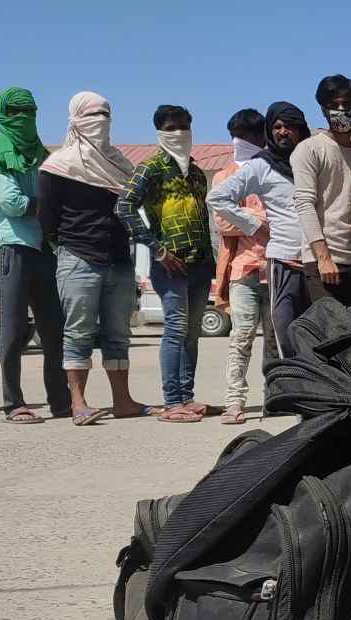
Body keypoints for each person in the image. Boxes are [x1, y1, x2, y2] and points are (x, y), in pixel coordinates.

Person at [0, 87, 68, 423]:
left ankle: (61, 401)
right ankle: (13, 402)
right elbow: (12, 204)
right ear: (3, 115)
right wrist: (48, 205)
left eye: (29, 111)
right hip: (13, 248)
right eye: (16, 112)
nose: (24, 118)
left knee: (53, 330)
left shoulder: (42, 155)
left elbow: (51, 195)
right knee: (13, 329)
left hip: (45, 248)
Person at [38, 91, 149, 424]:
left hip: (119, 259)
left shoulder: (120, 164)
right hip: (78, 258)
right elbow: (47, 218)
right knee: (78, 333)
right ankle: (78, 403)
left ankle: (123, 401)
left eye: (105, 114)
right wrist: (66, 246)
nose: (100, 121)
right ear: (74, 119)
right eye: (92, 115)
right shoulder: (57, 166)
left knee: (119, 334)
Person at [117, 104, 216, 423]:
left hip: (200, 262)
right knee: (175, 329)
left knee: (192, 333)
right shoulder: (150, 168)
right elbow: (124, 207)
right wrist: (157, 249)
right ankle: (172, 401)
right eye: (172, 128)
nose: (180, 133)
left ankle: (186, 396)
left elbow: (203, 216)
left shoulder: (198, 173)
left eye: (185, 126)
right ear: (159, 131)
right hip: (170, 264)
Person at [208, 102, 312, 360]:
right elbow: (217, 198)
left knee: (312, 338)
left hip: (316, 263)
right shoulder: (261, 166)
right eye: (277, 127)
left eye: (290, 126)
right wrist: (255, 224)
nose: (283, 132)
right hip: (282, 263)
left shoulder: (309, 161)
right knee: (281, 339)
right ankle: (280, 398)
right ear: (268, 132)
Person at [211, 109, 278, 425]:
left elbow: (283, 217)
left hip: (277, 268)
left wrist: (248, 219)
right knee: (241, 337)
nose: (241, 142)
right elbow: (223, 221)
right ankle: (234, 401)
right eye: (237, 136)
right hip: (242, 271)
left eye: (248, 136)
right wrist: (258, 221)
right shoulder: (224, 177)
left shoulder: (272, 173)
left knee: (276, 340)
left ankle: (275, 398)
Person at [293, 74, 351, 310]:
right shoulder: (310, 149)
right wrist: (323, 258)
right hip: (325, 264)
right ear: (323, 111)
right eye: (334, 105)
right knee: (329, 335)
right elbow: (304, 204)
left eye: (347, 104)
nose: (341, 110)